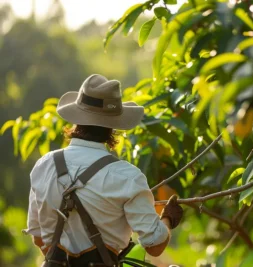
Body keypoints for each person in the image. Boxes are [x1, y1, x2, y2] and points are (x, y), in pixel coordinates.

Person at [24, 74, 183, 266]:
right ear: (113, 128)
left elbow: (38, 238)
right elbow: (155, 245)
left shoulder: (44, 165)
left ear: (77, 119)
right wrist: (167, 218)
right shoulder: (127, 177)